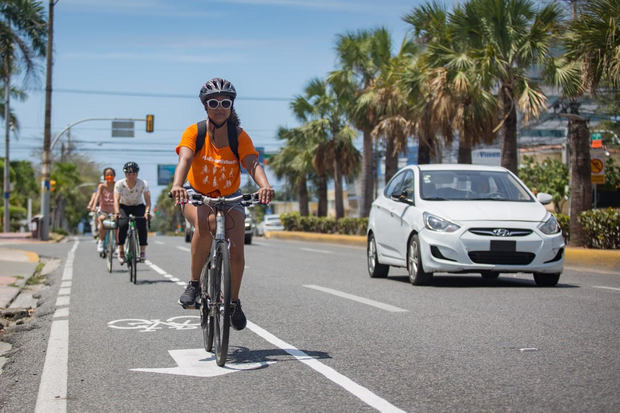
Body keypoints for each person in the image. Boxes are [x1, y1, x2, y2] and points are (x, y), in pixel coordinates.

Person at [170, 77, 274, 331]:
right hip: (196, 194)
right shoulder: (195, 132)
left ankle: (234, 302)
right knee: (205, 224)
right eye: (213, 102)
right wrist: (177, 186)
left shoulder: (238, 135)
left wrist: (264, 185)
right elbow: (184, 159)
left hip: (230, 198)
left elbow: (252, 163)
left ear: (231, 106)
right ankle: (194, 283)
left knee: (237, 248)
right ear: (205, 106)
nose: (219, 107)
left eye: (225, 102)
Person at [114, 161, 151, 264]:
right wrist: (117, 213)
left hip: (137, 206)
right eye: (128, 174)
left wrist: (147, 212)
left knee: (142, 223)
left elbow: (148, 201)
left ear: (137, 174)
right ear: (125, 174)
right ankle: (121, 250)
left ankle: (142, 251)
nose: (131, 176)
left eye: (134, 174)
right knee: (123, 224)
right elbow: (116, 200)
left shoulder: (143, 184)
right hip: (124, 206)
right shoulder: (119, 184)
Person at [93, 167, 116, 253]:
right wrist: (94, 206)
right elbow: (97, 196)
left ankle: (118, 245)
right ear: (105, 176)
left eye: (111, 175)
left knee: (119, 223)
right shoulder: (102, 186)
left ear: (114, 176)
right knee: (102, 220)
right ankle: (101, 242)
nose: (109, 176)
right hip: (104, 211)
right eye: (107, 175)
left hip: (114, 211)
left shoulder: (117, 185)